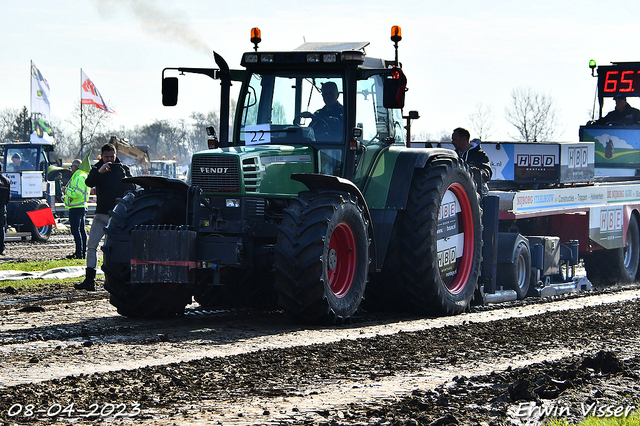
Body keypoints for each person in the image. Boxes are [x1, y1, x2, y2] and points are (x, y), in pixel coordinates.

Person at [75, 140, 133, 291]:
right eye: (107, 157)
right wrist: (100, 172)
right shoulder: (97, 168)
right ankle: (89, 280)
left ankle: (120, 279)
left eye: (112, 156)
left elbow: (132, 188)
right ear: (102, 156)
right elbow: (88, 183)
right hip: (101, 215)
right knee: (91, 247)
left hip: (118, 217)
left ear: (116, 155)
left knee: (119, 249)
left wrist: (123, 175)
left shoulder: (123, 168)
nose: (109, 160)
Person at [451, 127, 492, 195]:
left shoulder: (480, 154)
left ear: (463, 139)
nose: (452, 142)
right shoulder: (454, 156)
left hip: (478, 195)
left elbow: (487, 173)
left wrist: (477, 172)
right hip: (458, 195)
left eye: (455, 139)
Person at [64, 159, 89, 259]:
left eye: (71, 167)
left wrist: (67, 191)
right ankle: (82, 253)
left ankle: (79, 253)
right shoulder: (83, 176)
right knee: (82, 230)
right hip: (81, 207)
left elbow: (77, 193)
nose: (71, 169)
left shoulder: (78, 177)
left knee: (76, 230)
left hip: (76, 207)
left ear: (76, 167)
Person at [0, 163, 10, 256]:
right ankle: (1, 248)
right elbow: (8, 197)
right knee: (1, 229)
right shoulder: (6, 181)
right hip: (2, 207)